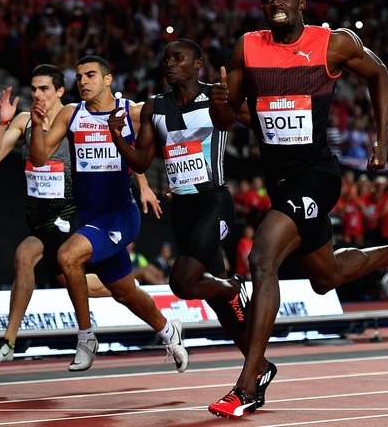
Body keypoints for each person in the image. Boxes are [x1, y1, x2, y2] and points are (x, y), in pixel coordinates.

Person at [207, 0, 388, 418]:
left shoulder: (333, 43)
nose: (276, 2)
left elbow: (380, 74)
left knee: (262, 260)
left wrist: (382, 141)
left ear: (301, 3)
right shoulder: (247, 47)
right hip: (278, 180)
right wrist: (222, 103)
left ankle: (249, 382)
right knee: (326, 276)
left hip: (318, 175)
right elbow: (228, 120)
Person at [108, 38, 275, 409]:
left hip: (214, 203)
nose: (169, 63)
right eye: (166, 58)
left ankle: (231, 287)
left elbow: (244, 123)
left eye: (178, 57)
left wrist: (229, 103)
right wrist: (118, 136)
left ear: (197, 63)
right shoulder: (155, 106)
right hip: (182, 209)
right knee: (216, 304)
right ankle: (258, 367)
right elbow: (141, 161)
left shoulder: (216, 97)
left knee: (182, 282)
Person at [29, 55, 188, 373]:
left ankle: (86, 338)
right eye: (79, 77)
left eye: (90, 75)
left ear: (107, 79)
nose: (83, 82)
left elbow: (174, 137)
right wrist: (36, 124)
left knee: (67, 257)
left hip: (119, 216)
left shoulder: (133, 111)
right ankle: (169, 330)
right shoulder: (71, 114)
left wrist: (172, 179)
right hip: (90, 218)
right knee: (124, 292)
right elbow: (41, 157)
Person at [0, 64, 112, 363]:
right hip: (39, 219)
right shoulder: (25, 121)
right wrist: (2, 123)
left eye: (44, 89)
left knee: (25, 256)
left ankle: (7, 343)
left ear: (60, 91)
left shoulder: (77, 119)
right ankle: (127, 288)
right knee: (77, 283)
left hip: (69, 215)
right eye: (34, 88)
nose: (37, 94)